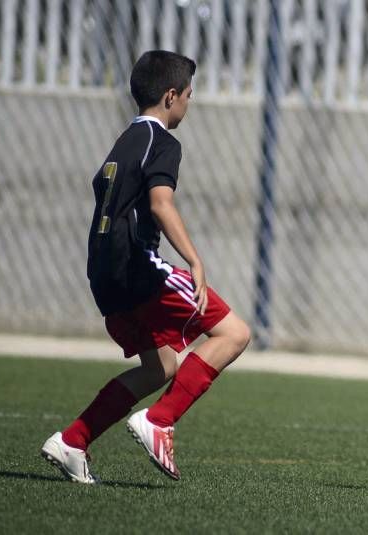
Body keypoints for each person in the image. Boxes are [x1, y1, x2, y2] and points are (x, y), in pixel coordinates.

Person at [41, 50, 251, 483]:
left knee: (162, 367)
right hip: (138, 271)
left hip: (103, 275)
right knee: (234, 333)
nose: (189, 105)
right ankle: (160, 420)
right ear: (172, 96)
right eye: (189, 96)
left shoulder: (125, 140)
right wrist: (194, 260)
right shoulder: (162, 141)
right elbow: (160, 203)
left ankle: (73, 440)